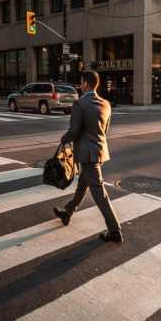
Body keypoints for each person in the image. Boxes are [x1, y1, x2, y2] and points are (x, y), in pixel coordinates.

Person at [53, 70, 123, 243]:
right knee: (82, 185)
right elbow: (104, 131)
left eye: (81, 81)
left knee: (100, 194)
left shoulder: (80, 104)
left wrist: (64, 138)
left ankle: (115, 231)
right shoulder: (106, 103)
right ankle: (67, 213)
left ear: (85, 83)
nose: (80, 84)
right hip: (99, 151)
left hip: (86, 154)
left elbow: (74, 131)